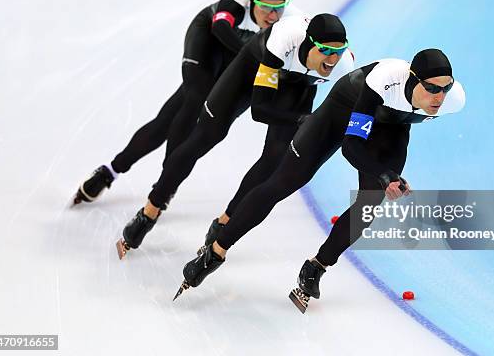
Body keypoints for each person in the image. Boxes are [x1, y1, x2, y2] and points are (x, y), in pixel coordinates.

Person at [172, 49, 466, 313]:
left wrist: (386, 177)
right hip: (342, 112)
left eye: (445, 89)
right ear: (414, 80)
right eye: (431, 89)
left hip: (393, 127)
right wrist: (384, 173)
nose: (439, 97)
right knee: (285, 182)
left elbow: (397, 134)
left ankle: (316, 267)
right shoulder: (384, 81)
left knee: (368, 206)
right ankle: (216, 251)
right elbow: (352, 145)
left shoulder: (453, 101)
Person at [116, 13, 355, 259]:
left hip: (298, 85)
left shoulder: (345, 67)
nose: (333, 59)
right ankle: (150, 210)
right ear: (310, 43)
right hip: (255, 64)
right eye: (326, 50)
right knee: (207, 134)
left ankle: (224, 222)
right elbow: (259, 111)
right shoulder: (284, 41)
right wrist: (302, 120)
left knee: (274, 159)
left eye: (340, 51)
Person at [73, 0, 294, 205]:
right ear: (252, 0)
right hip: (207, 40)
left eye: (279, 7)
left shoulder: (286, 19)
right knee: (195, 99)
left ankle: (110, 171)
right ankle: (166, 180)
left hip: (234, 52)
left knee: (167, 120)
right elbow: (220, 27)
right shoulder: (237, 1)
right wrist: (249, 57)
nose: (273, 15)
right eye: (265, 8)